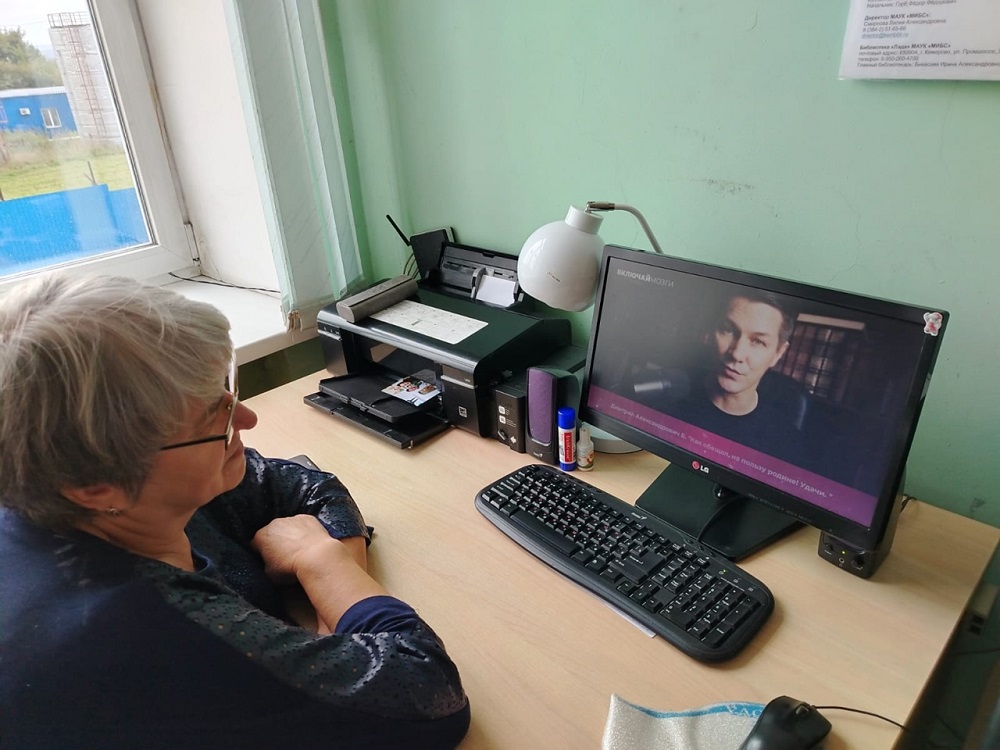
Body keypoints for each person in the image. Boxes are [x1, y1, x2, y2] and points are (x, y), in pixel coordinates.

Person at [0, 274, 470, 749]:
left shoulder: (109, 493)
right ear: (97, 485)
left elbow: (304, 485)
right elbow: (429, 694)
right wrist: (322, 563)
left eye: (226, 391)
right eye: (216, 417)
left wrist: (333, 618)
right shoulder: (142, 635)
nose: (246, 418)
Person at [668, 289, 809, 466]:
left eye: (758, 342)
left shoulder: (786, 445)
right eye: (728, 330)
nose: (737, 353)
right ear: (711, 333)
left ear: (778, 353)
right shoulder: (666, 399)